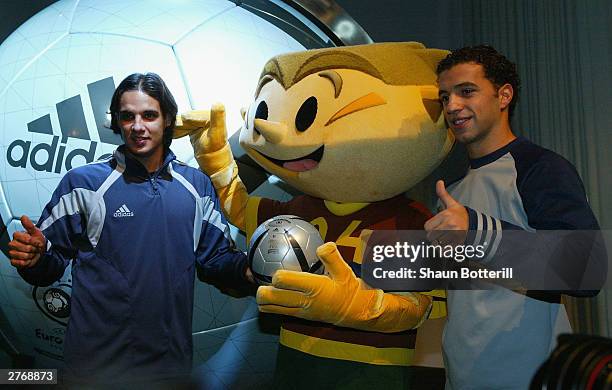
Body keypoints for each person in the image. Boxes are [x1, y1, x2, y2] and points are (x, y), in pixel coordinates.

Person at [7, 73, 252, 386]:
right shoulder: (84, 183)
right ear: (117, 123)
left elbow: (217, 260)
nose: (138, 127)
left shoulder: (197, 186)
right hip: (91, 369)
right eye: (128, 117)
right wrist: (36, 259)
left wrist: (249, 270)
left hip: (169, 368)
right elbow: (49, 267)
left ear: (167, 120)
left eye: (149, 115)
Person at [425, 45, 601, 389]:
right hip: (462, 378)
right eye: (445, 97)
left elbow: (586, 270)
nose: (452, 106)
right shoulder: (453, 192)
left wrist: (478, 232)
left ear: (503, 95)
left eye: (466, 91)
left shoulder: (540, 168)